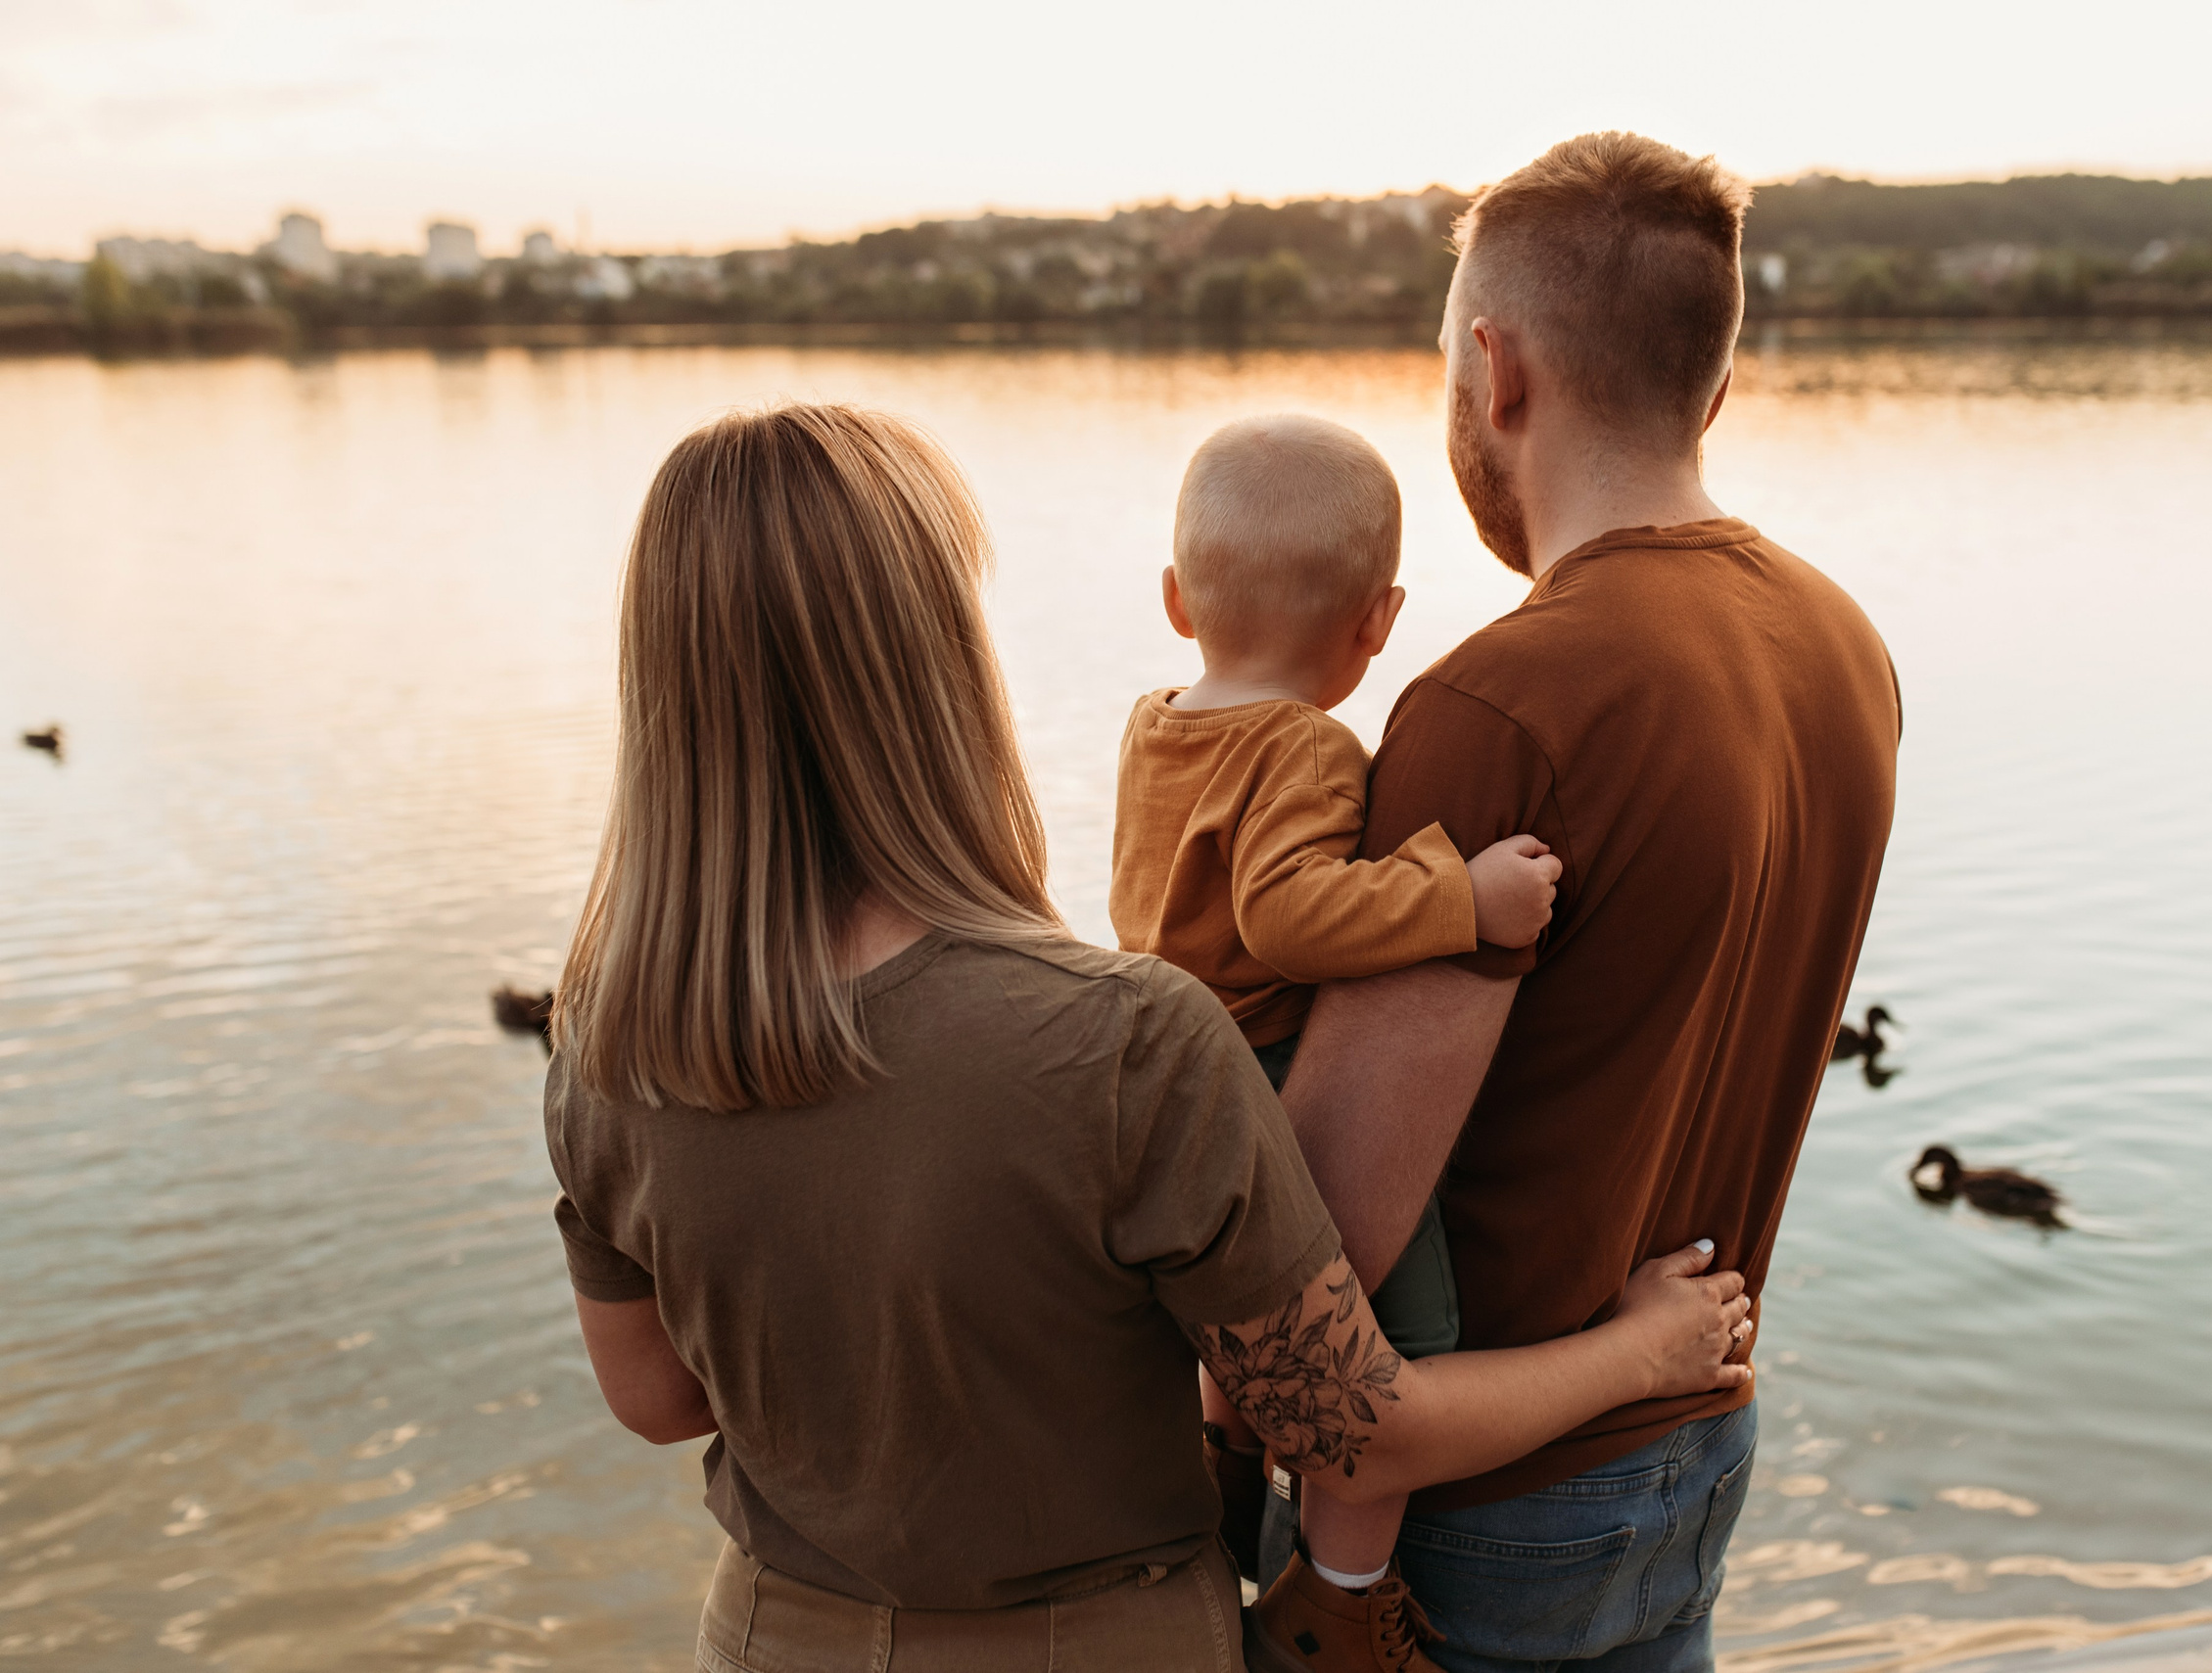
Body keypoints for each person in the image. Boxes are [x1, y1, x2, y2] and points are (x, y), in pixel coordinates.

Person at [541, 401, 1760, 1672]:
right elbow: (1352, 1431)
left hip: (767, 1636)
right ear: (941, 654)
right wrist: (1638, 1353)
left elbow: (659, 1399)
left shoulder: (607, 1054)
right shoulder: (1123, 1044)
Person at [1273, 134, 1903, 1672]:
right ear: (1716, 379)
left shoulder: (1505, 703)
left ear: (1494, 371)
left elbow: (1324, 1238)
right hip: (1693, 1450)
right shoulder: (1843, 644)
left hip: (1487, 1501)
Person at [1109, 413, 1584, 1663]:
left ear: (1175, 599)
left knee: (1235, 1304)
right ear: (1379, 621)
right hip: (1265, 1073)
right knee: (1388, 1355)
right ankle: (1339, 1596)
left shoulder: (1157, 722)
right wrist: (1459, 894)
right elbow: (1288, 915)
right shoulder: (1306, 744)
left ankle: (1218, 1480)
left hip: (1160, 1069)